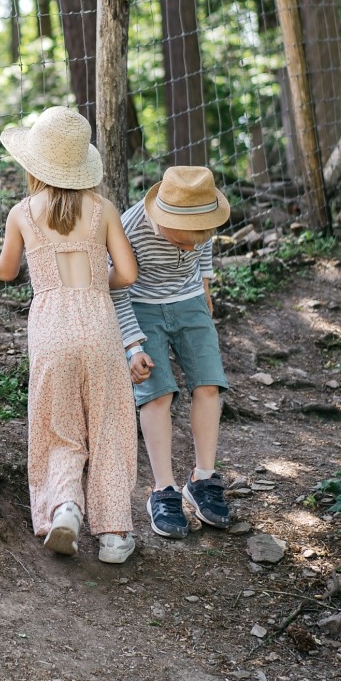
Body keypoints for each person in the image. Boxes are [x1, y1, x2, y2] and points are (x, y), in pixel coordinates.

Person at [0, 106, 142, 564]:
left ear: (35, 165)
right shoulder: (103, 210)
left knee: (59, 425)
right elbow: (127, 273)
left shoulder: (23, 214)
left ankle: (65, 507)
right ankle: (113, 535)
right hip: (99, 326)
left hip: (51, 329)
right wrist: (92, 283)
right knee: (110, 424)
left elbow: (8, 270)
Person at [109, 165, 232, 539]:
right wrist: (133, 346)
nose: (189, 249)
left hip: (190, 302)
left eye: (197, 240)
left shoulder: (200, 221)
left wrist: (205, 287)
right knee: (157, 393)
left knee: (209, 384)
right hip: (142, 307)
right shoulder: (131, 228)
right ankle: (163, 490)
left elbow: (204, 246)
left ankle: (203, 479)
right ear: (162, 220)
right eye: (181, 244)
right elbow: (115, 289)